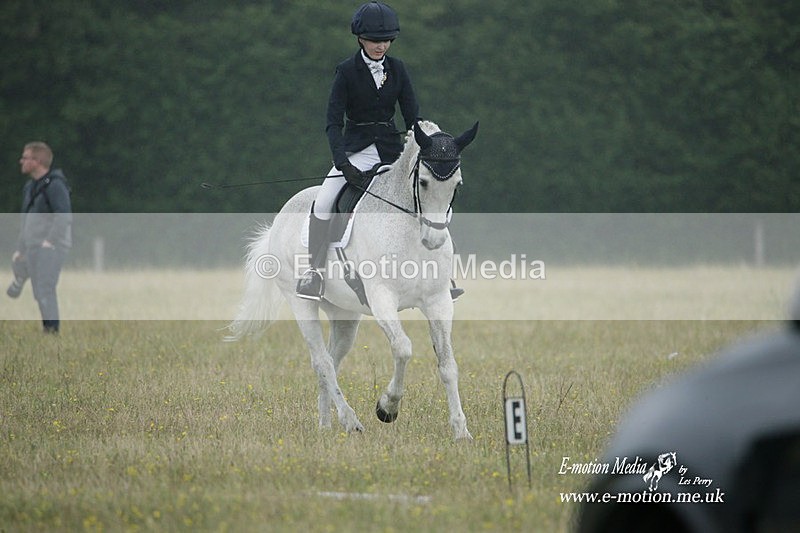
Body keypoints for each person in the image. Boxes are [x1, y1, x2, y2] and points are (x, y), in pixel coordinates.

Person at [296, 1, 420, 300]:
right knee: (324, 201)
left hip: (392, 150)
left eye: (387, 40)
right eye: (375, 41)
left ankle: (442, 274)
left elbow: (413, 117)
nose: (381, 46)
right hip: (356, 149)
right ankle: (314, 273)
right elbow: (332, 123)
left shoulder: (398, 69)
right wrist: (342, 162)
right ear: (360, 39)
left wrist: (417, 151)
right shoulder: (346, 71)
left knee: (425, 196)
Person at [7, 142, 72, 334]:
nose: (22, 161)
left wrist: (50, 240)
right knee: (39, 291)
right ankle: (48, 327)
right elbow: (27, 219)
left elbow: (64, 215)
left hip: (52, 246)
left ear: (37, 161)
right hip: (33, 245)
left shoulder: (55, 185)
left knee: (45, 288)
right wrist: (21, 247)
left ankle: (52, 330)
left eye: (25, 157)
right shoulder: (30, 187)